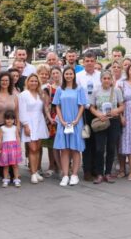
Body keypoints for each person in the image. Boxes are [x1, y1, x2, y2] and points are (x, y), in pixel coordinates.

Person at [53, 66, 87, 187]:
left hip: (75, 122)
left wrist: (77, 120)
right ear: (63, 75)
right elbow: (57, 105)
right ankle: (65, 175)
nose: (68, 76)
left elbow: (82, 105)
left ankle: (74, 175)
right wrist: (61, 120)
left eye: (70, 74)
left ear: (74, 75)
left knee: (75, 149)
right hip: (63, 123)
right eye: (66, 74)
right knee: (64, 149)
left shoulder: (79, 89)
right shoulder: (59, 90)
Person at [89, 70, 124, 184]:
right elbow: (91, 107)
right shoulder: (96, 91)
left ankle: (108, 173)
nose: (107, 80)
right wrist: (99, 114)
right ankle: (99, 173)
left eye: (109, 78)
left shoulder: (117, 90)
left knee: (111, 148)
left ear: (111, 80)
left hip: (113, 121)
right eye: (104, 78)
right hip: (101, 121)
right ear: (101, 79)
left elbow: (122, 106)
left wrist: (116, 111)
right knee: (99, 149)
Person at [18, 74, 51, 184]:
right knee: (32, 149)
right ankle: (32, 173)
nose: (33, 83)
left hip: (39, 122)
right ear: (28, 82)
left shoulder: (39, 94)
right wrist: (26, 125)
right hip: (29, 122)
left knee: (37, 148)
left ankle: (36, 171)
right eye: (31, 81)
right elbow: (21, 111)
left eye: (35, 81)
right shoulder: (23, 95)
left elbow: (44, 108)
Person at [77, 52, 102, 181]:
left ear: (95, 61)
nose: (89, 63)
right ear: (83, 62)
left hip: (98, 111)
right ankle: (87, 170)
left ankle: (97, 170)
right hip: (84, 112)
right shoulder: (78, 76)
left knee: (97, 143)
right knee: (86, 140)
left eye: (92, 60)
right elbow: (77, 94)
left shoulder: (100, 75)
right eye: (87, 60)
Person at [0, 71, 19, 180]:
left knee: (12, 150)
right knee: (1, 152)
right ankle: (4, 174)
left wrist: (18, 125)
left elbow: (17, 112)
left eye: (7, 80)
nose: (4, 82)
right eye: (2, 80)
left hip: (11, 127)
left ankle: (13, 173)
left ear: (10, 82)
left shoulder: (14, 96)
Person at [0, 110, 22, 187]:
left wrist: (19, 148)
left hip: (14, 149)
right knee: (6, 165)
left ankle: (16, 179)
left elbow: (18, 138)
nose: (9, 121)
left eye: (11, 119)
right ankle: (5, 179)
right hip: (5, 149)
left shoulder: (15, 128)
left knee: (15, 165)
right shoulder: (2, 128)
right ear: (4, 119)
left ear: (14, 120)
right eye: (7, 119)